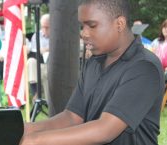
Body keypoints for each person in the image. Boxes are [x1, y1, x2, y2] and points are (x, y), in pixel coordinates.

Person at [20, 0, 165, 145]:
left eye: (92, 25)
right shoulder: (94, 63)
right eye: (82, 26)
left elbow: (105, 129)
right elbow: (72, 117)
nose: (84, 33)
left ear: (119, 24)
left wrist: (36, 140)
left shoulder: (144, 67)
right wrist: (24, 129)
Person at [27, 13, 50, 101]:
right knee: (31, 61)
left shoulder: (57, 35)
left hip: (51, 63)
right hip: (38, 62)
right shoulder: (36, 35)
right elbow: (34, 50)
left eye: (47, 27)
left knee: (45, 71)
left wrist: (48, 49)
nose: (44, 29)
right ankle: (35, 93)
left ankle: (49, 101)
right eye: (43, 27)